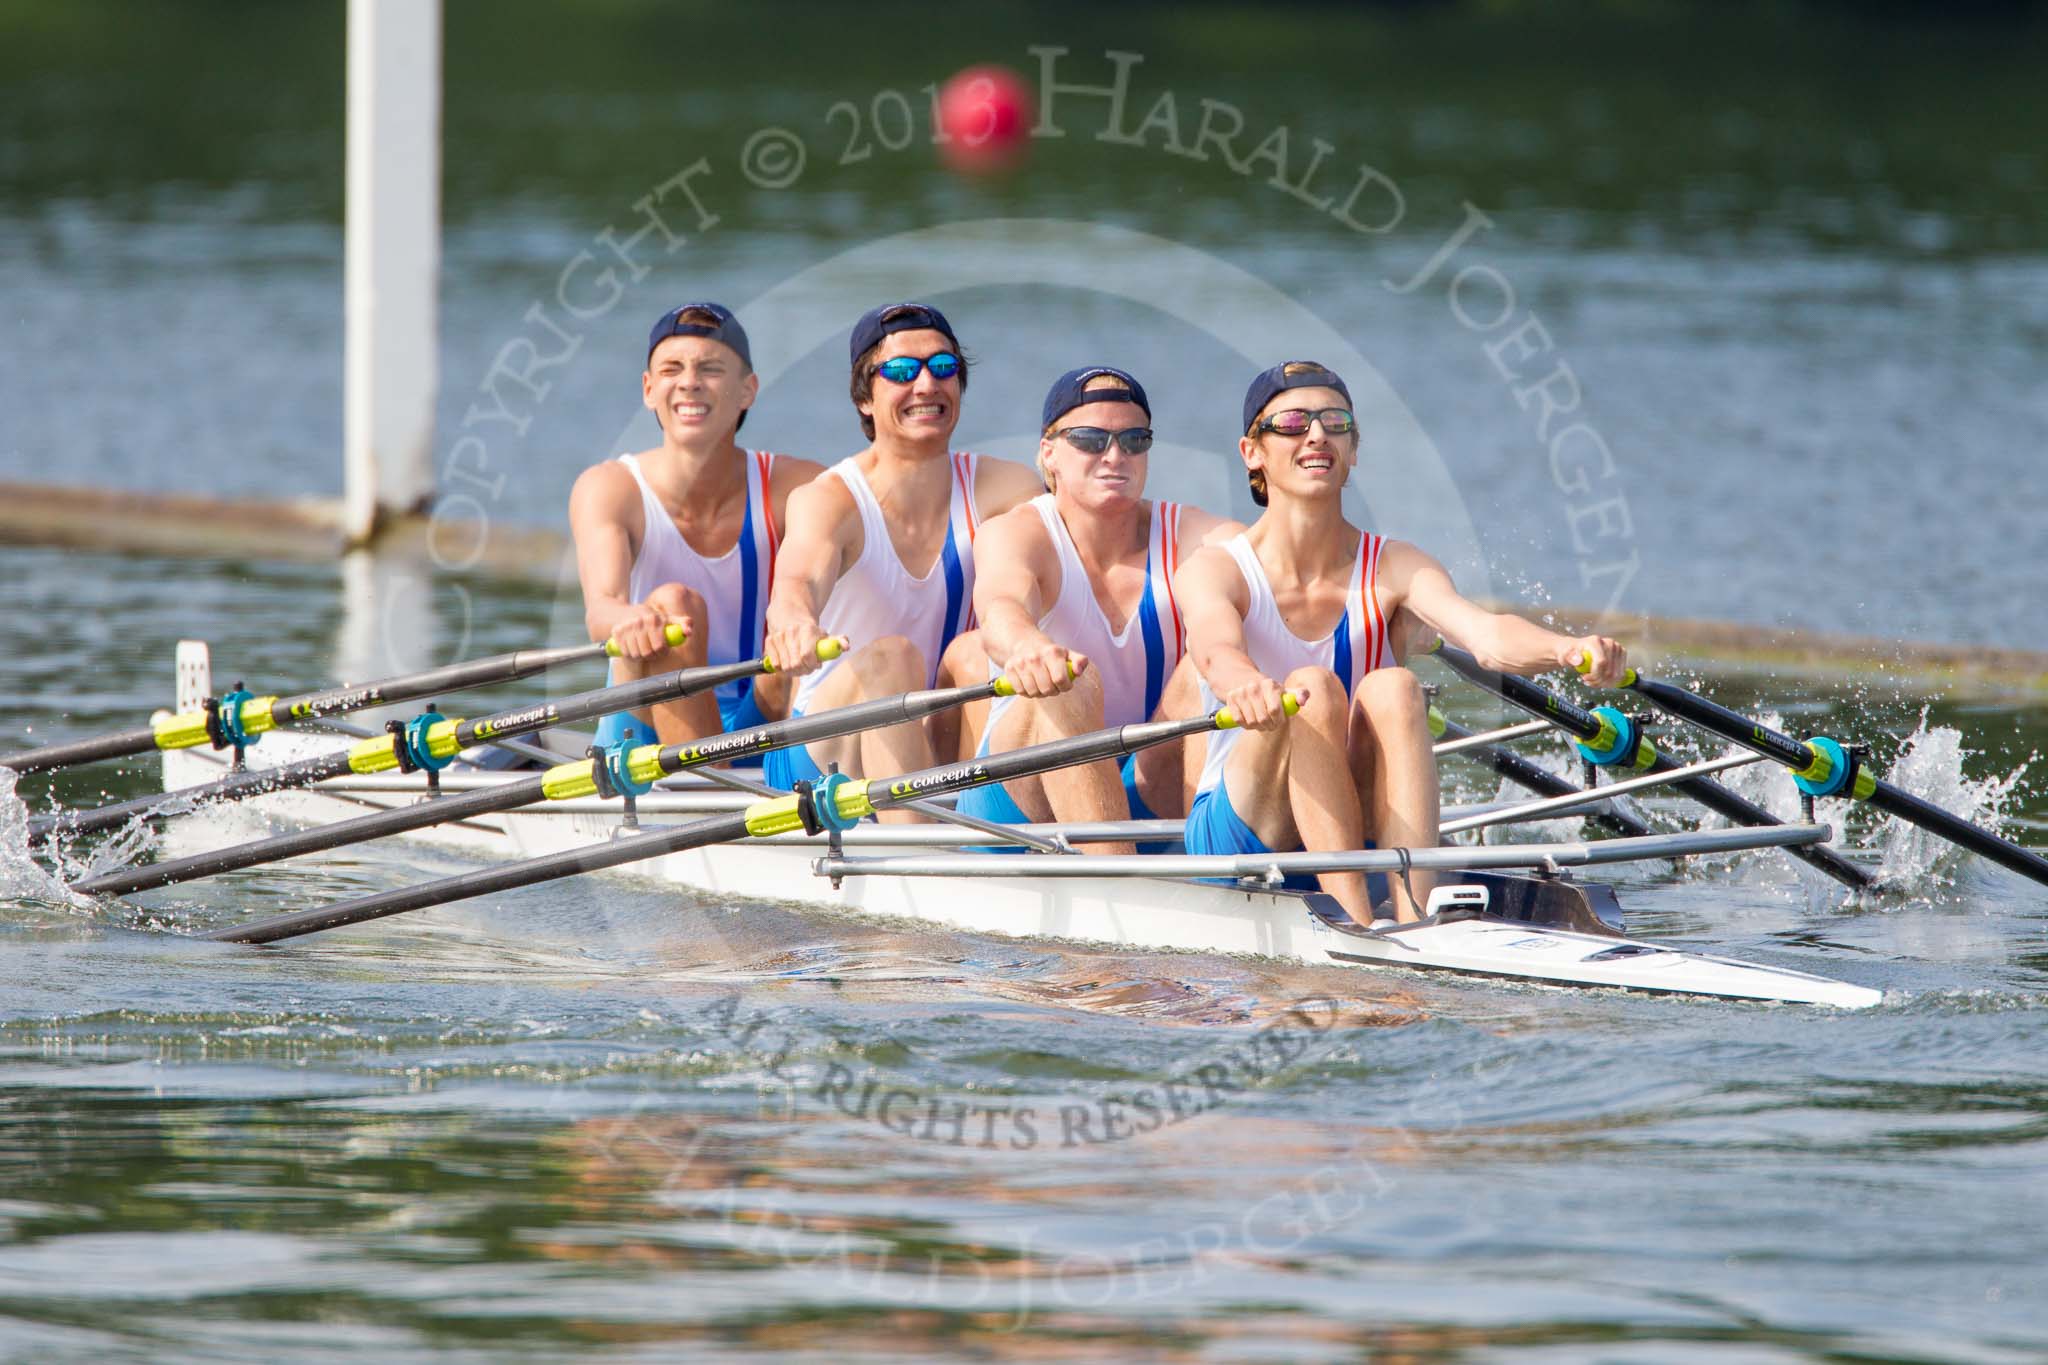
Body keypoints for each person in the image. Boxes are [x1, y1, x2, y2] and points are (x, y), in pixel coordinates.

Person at [1177, 360, 1629, 925]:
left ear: (1354, 449)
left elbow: (1485, 636)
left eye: (1335, 422)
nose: (1316, 434)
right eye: (1293, 422)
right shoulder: (1216, 570)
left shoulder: (1395, 565)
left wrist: (1566, 648)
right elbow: (1217, 650)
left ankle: (1415, 917)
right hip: (1242, 835)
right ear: (1253, 452)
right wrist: (1244, 686)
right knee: (1312, 688)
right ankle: (1359, 925)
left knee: (1394, 686)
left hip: (1351, 822)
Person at [940, 367, 1240, 852]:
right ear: (1049, 453)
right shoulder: (1018, 533)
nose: (1115, 455)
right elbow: (1001, 607)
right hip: (1019, 799)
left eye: (1134, 439)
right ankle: (1124, 886)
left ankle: (1202, 865)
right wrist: (1029, 647)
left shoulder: (1192, 535)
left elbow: (1272, 564)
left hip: (1141, 784)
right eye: (1090, 439)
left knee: (1207, 668)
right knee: (1069, 681)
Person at [759, 302, 1040, 805]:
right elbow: (796, 583)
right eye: (902, 371)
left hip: (937, 734)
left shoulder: (1008, 488)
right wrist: (793, 624)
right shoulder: (830, 500)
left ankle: (983, 832)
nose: (927, 385)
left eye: (944, 367)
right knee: (893, 657)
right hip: (818, 752)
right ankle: (921, 853)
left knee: (977, 653)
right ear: (865, 397)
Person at [569, 303, 822, 752]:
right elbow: (600, 611)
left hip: (760, 714)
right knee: (673, 604)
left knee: (791, 636)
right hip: (644, 715)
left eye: (710, 369)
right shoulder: (609, 488)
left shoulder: (798, 487)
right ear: (649, 390)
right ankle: (707, 791)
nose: (689, 382)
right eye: (672, 369)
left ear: (747, 391)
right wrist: (629, 619)